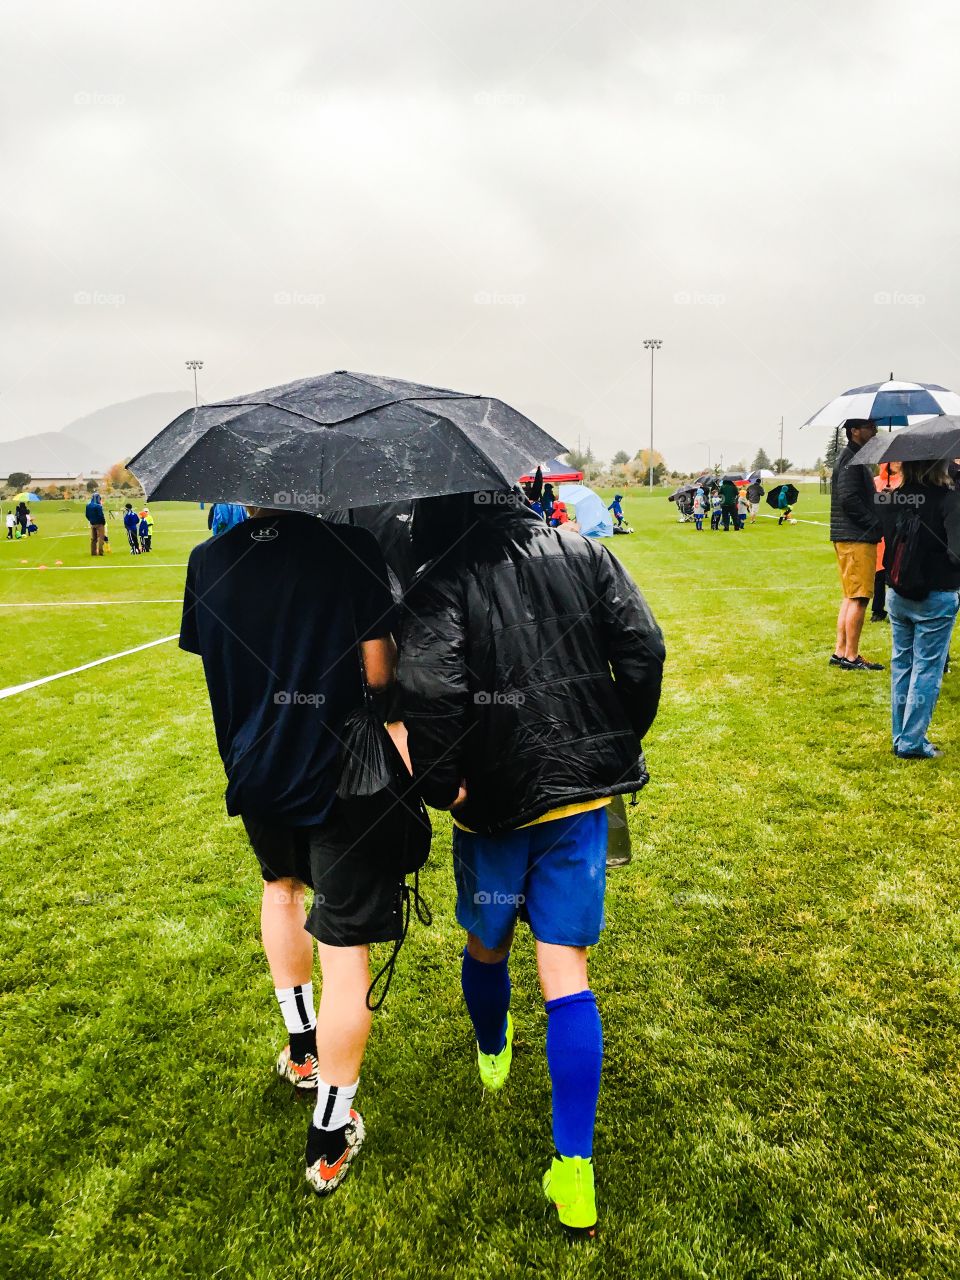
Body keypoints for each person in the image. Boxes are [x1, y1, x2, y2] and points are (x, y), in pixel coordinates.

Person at [399, 490, 665, 1237]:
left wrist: (441, 782)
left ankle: (494, 1050)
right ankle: (572, 1167)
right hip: (572, 804)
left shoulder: (442, 579)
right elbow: (644, 650)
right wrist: (612, 740)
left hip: (494, 805)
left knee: (489, 942)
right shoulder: (581, 549)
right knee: (565, 969)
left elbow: (427, 688)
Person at [179, 506, 403, 1195]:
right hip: (344, 778)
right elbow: (380, 674)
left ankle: (303, 1049)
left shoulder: (208, 559)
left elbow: (215, 660)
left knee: (281, 889)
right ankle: (330, 1132)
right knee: (344, 945)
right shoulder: (351, 548)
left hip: (255, 769)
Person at [880, 459, 960, 759]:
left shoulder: (893, 498)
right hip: (936, 594)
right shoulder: (949, 499)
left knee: (902, 664)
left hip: (898, 592)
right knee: (927, 667)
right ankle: (911, 741)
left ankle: (901, 734)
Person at [829, 419, 883, 671]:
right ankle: (851, 656)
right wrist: (874, 523)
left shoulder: (852, 456)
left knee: (851, 596)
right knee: (860, 597)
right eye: (870, 427)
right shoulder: (851, 458)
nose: (874, 431)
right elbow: (849, 498)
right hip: (856, 537)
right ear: (854, 431)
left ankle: (841, 652)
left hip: (850, 536)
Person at [871, 462, 902, 622]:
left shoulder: (902, 482)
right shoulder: (876, 481)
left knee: (891, 573)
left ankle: (888, 610)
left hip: (891, 535)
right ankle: (878, 610)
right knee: (881, 575)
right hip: (882, 535)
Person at [85, 492, 107, 556]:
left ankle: (93, 552)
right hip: (99, 524)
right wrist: (103, 522)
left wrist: (91, 520)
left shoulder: (88, 505)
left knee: (93, 539)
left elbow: (87, 515)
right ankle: (100, 552)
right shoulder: (98, 506)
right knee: (101, 538)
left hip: (92, 524)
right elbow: (101, 515)